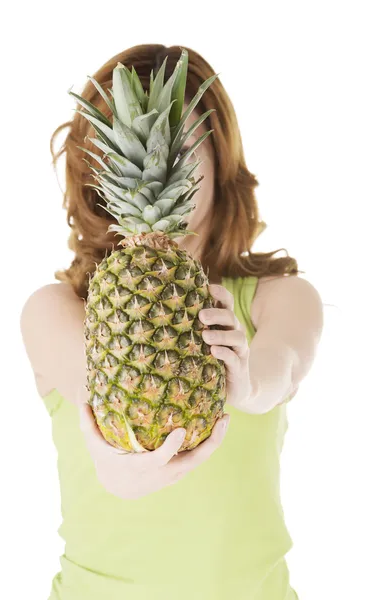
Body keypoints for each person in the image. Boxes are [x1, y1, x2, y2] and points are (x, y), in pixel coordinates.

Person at [20, 44, 323, 600]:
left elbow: (284, 368)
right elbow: (103, 394)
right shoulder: (58, 309)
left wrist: (250, 381)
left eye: (182, 145)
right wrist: (120, 466)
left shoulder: (279, 297)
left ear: (218, 153)